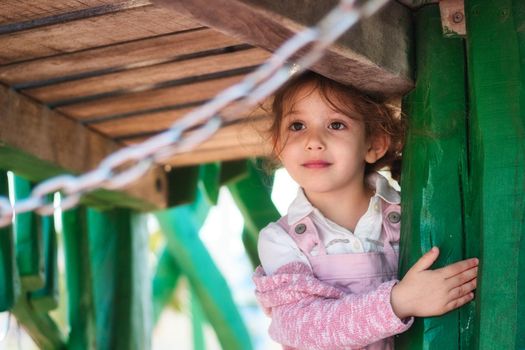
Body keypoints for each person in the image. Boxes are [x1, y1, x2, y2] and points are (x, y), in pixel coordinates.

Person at [252, 71, 479, 350]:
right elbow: (300, 327)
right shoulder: (281, 239)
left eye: (336, 124)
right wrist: (398, 302)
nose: (313, 141)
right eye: (297, 126)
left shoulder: (409, 214)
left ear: (374, 145)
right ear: (278, 145)